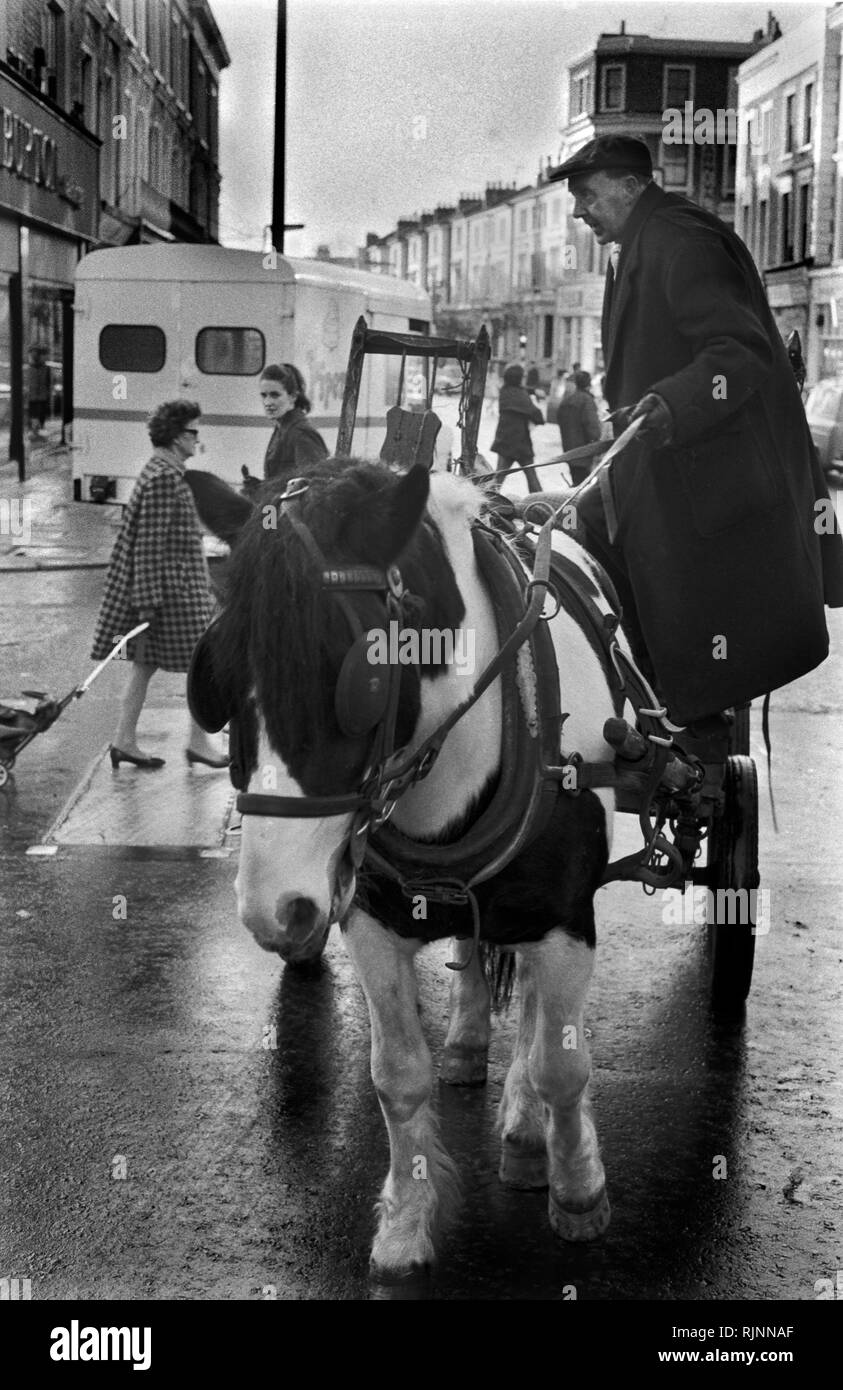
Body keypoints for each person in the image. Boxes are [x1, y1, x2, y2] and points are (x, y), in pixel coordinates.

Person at [547, 133, 843, 732]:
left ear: (632, 186)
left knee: (696, 643)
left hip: (707, 488)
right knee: (560, 536)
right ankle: (650, 711)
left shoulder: (682, 241)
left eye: (588, 195)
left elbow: (740, 353)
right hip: (668, 472)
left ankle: (683, 736)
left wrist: (667, 404)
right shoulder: (640, 242)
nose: (579, 211)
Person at [91, 400, 227, 769]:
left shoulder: (161, 471)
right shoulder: (165, 478)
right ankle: (197, 743)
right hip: (173, 596)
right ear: (178, 435)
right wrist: (148, 605)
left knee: (144, 667)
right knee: (205, 666)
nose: (198, 439)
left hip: (169, 591)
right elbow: (149, 545)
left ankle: (124, 739)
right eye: (194, 432)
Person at [240, 363, 328, 494]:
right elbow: (283, 479)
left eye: (275, 395)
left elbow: (313, 485)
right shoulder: (282, 427)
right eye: (264, 395)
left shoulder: (301, 434)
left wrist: (264, 491)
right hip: (276, 509)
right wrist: (259, 486)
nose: (268, 403)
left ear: (293, 396)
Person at [490, 361, 545, 494]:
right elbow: (536, 415)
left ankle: (487, 505)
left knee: (498, 479)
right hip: (520, 444)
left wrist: (531, 391)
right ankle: (540, 504)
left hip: (504, 441)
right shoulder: (520, 395)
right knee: (532, 480)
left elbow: (522, 392)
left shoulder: (505, 391)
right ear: (518, 378)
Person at [557, 368, 602, 484]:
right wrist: (597, 442)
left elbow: (560, 421)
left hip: (569, 450)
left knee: (576, 481)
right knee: (584, 486)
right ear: (589, 383)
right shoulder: (587, 400)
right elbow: (592, 427)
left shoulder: (567, 400)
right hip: (584, 452)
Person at [27, 348, 50, 438]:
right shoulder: (28, 367)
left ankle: (39, 430)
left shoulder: (45, 368)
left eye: (36, 355)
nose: (34, 357)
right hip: (32, 396)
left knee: (40, 414)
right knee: (33, 414)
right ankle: (33, 431)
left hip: (41, 396)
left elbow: (48, 382)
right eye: (33, 355)